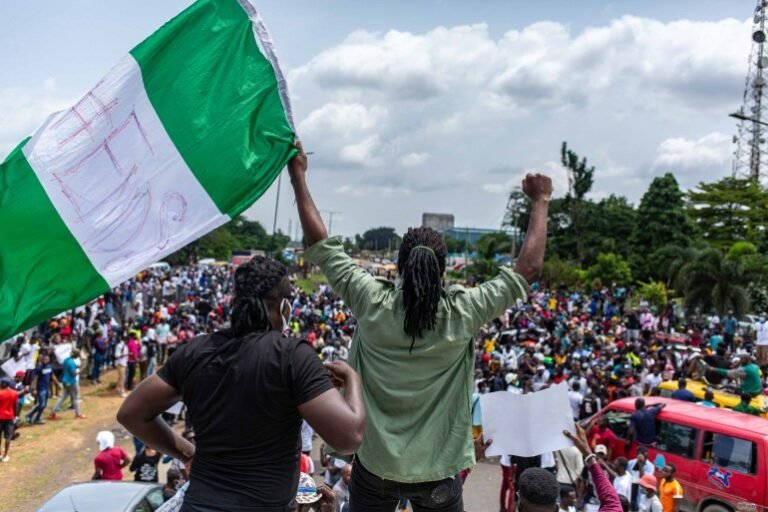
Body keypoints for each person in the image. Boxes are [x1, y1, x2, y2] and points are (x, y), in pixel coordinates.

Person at [290, 140, 552, 511]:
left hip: (375, 465)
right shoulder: (464, 311)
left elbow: (320, 243)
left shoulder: (371, 301)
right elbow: (527, 270)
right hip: (437, 473)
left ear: (398, 265)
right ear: (443, 269)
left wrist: (298, 175)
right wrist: (540, 201)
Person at [117, 252, 366, 511]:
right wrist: (353, 377)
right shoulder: (292, 356)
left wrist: (188, 452)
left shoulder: (196, 352)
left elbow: (132, 413)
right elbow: (349, 437)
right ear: (284, 307)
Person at [563, 426, 623, 512]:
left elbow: (613, 477)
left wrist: (602, 464)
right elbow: (584, 482)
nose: (600, 457)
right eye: (598, 454)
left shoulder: (609, 466)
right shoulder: (587, 468)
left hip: (601, 502)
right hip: (591, 501)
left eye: (602, 454)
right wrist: (580, 498)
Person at [50, 348, 86, 420]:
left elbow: (70, 367)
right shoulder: (72, 363)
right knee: (75, 398)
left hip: (65, 381)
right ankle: (78, 414)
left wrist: (79, 366)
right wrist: (80, 370)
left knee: (63, 397)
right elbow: (73, 374)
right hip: (72, 382)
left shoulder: (67, 360)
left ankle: (53, 412)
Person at [27, 353, 59, 425]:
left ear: (49, 360)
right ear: (41, 360)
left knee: (44, 405)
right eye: (44, 359)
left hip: (46, 388)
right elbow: (35, 378)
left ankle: (37, 418)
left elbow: (52, 375)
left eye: (47, 359)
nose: (45, 360)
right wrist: (34, 388)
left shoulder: (49, 367)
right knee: (41, 404)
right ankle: (29, 415)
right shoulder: (38, 368)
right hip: (40, 388)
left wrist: (58, 383)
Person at [0, 379, 19, 462]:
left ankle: (0, 454)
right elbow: (15, 405)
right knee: (8, 437)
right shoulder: (14, 393)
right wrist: (15, 416)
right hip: (9, 417)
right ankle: (5, 455)